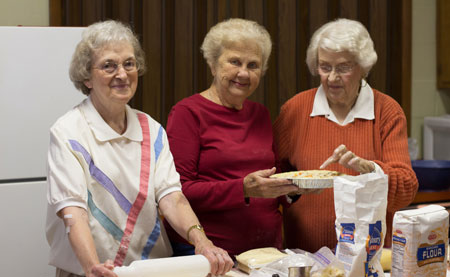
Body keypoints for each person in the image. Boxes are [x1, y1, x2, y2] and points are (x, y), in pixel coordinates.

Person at [45, 20, 233, 277]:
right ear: (86, 77)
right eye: (109, 65)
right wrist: (92, 267)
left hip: (152, 273)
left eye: (129, 64)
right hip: (89, 274)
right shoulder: (68, 132)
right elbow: (73, 211)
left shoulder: (152, 129)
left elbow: (172, 198)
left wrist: (202, 242)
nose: (122, 74)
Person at [274, 18, 418, 253]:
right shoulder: (295, 109)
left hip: (370, 258)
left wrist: (369, 168)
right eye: (324, 67)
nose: (332, 77)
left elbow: (406, 190)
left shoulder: (386, 111)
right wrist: (290, 191)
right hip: (306, 254)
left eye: (343, 68)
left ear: (363, 66)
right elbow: (273, 176)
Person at [165, 18, 304, 258]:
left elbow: (271, 177)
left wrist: (293, 189)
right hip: (209, 253)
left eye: (253, 65)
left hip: (266, 253)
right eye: (234, 62)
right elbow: (179, 191)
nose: (243, 73)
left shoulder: (260, 113)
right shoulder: (187, 113)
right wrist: (243, 189)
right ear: (213, 64)